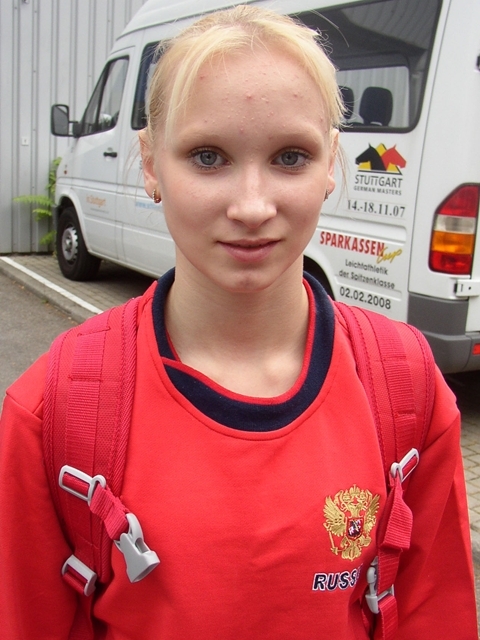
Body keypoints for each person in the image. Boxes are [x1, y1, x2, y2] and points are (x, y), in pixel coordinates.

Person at [0, 5, 477, 639]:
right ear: (150, 163)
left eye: (290, 156)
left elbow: (436, 615)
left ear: (332, 164)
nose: (252, 206)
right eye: (207, 156)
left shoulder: (407, 390)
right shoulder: (54, 409)